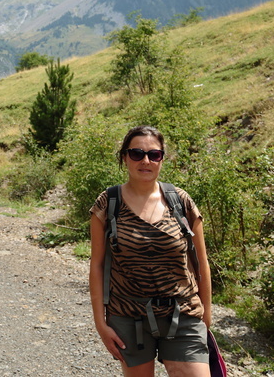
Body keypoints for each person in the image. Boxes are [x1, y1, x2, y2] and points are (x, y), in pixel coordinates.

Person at [89, 125, 212, 376]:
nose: (145, 160)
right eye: (136, 153)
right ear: (124, 157)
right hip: (128, 315)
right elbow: (97, 265)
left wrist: (206, 317)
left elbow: (201, 262)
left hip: (183, 312)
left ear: (162, 159)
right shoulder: (108, 202)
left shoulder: (181, 201)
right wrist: (101, 324)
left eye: (154, 155)